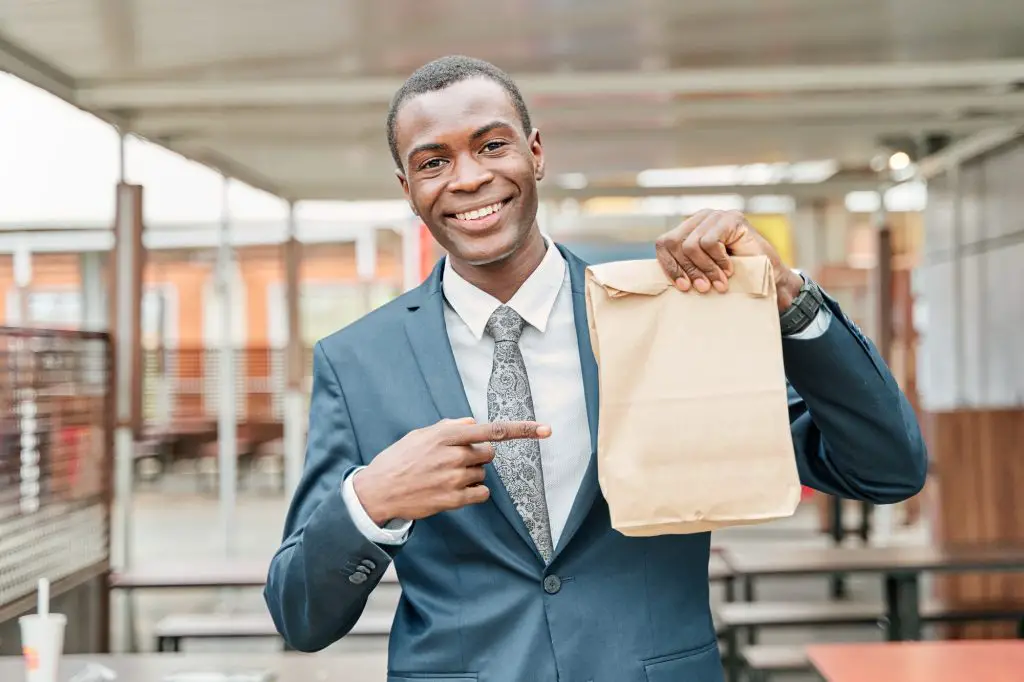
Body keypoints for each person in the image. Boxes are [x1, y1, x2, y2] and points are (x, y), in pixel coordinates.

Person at [264, 55, 927, 681]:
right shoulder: (355, 363)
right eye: (433, 161)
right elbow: (301, 616)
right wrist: (371, 501)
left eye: (491, 145)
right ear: (408, 190)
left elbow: (886, 468)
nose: (466, 178)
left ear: (536, 152)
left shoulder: (669, 312)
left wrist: (789, 299)